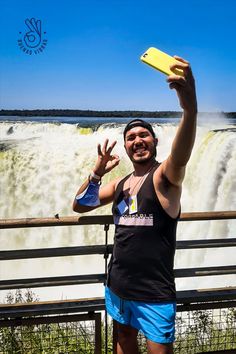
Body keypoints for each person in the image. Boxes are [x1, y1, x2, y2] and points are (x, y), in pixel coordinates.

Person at [73, 56, 197, 354]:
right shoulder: (119, 184)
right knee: (123, 345)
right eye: (131, 137)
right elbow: (79, 205)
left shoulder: (164, 176)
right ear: (126, 146)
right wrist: (97, 172)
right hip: (118, 288)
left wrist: (189, 108)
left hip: (154, 294)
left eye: (143, 135)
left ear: (155, 141)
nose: (137, 140)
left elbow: (180, 156)